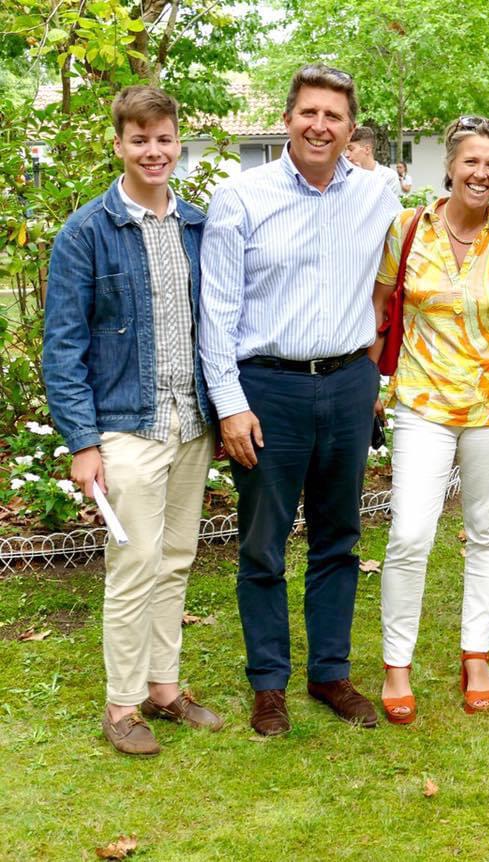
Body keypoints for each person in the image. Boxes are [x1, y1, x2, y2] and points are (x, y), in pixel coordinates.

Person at [199, 64, 401, 735]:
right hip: (267, 391)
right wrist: (229, 405)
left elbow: (432, 238)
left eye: (334, 117)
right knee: (263, 543)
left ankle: (330, 675)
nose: (320, 125)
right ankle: (268, 684)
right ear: (288, 117)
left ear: (350, 129)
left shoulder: (378, 193)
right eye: (309, 112)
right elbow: (217, 314)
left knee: (339, 538)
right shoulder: (243, 197)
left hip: (348, 386)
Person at [43, 85, 222, 756]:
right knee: (135, 561)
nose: (154, 150)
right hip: (126, 423)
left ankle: (164, 688)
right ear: (118, 144)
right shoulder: (87, 231)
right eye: (139, 139)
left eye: (164, 138)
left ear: (179, 143)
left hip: (191, 424)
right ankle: (121, 705)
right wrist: (83, 443)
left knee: (175, 559)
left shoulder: (197, 225)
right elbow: (63, 345)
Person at [374, 116, 489, 724]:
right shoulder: (406, 230)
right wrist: (369, 384)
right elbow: (381, 303)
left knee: (487, 533)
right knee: (411, 532)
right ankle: (396, 665)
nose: (481, 174)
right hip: (421, 404)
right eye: (472, 162)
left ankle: (477, 655)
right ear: (451, 166)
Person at [346, 125, 403, 197]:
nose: (346, 154)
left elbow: (388, 207)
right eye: (345, 150)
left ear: (367, 149)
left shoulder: (388, 176)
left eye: (351, 149)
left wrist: (362, 178)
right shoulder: (345, 176)